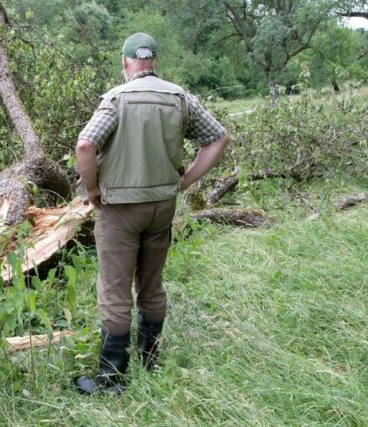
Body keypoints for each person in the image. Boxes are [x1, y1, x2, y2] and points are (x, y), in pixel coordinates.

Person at [74, 32, 230, 395]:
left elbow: (85, 144)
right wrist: (186, 180)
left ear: (125, 62)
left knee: (115, 290)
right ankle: (150, 359)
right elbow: (218, 138)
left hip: (119, 210)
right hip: (162, 207)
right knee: (151, 284)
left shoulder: (116, 99)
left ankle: (111, 379)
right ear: (154, 61)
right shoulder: (179, 97)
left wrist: (93, 190)